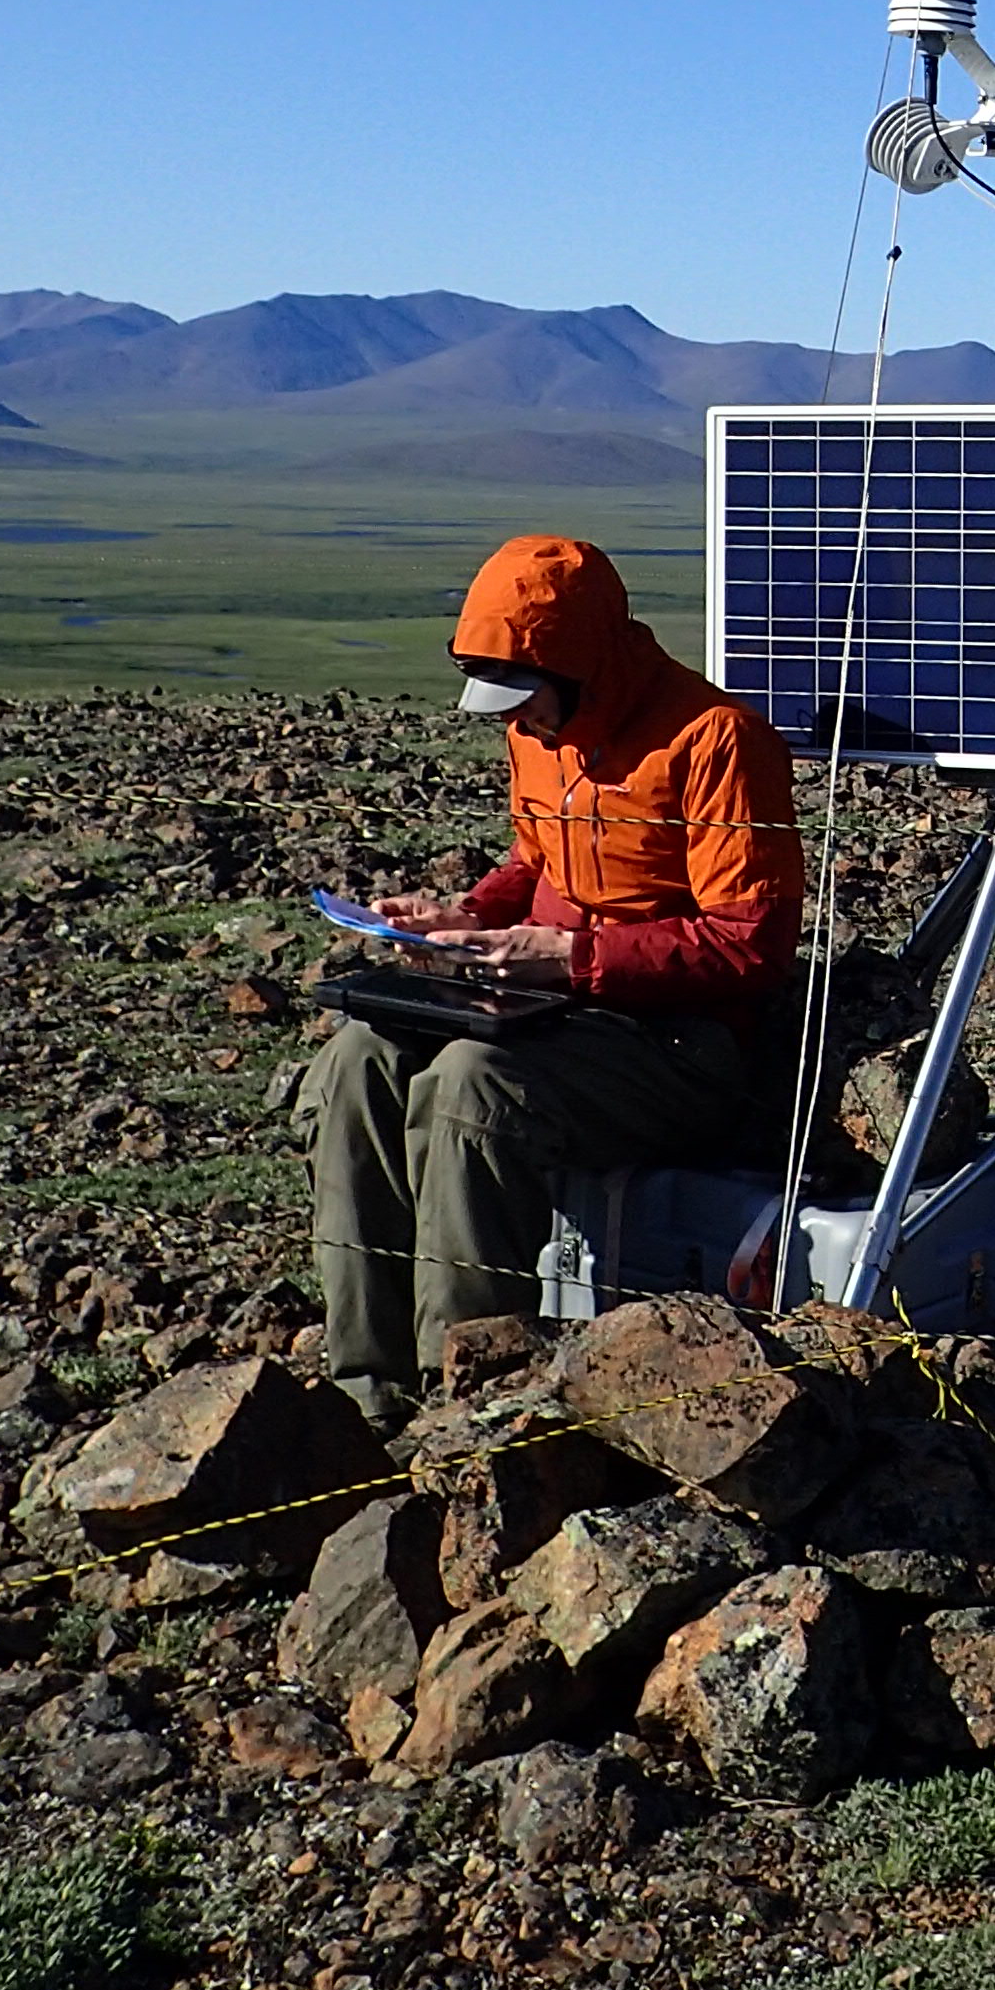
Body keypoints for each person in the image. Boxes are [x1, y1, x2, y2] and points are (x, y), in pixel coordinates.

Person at [309, 534, 804, 1424]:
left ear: (581, 664)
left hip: (681, 1045)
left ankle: (469, 1401)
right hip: (556, 1012)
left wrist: (572, 958)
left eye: (524, 696)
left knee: (473, 1089)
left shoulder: (717, 739)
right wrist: (469, 915)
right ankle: (366, 1386)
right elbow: (538, 861)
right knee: (360, 1057)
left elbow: (749, 945)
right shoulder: (536, 731)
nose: (517, 719)